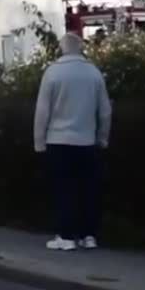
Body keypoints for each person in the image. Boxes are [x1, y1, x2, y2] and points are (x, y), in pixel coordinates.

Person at [33, 32, 112, 251]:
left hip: (58, 140)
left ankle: (66, 236)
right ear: (80, 48)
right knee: (89, 190)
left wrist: (39, 142)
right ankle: (89, 235)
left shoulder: (53, 73)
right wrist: (102, 138)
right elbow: (105, 111)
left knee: (63, 189)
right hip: (86, 141)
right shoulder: (93, 73)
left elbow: (42, 110)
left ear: (62, 48)